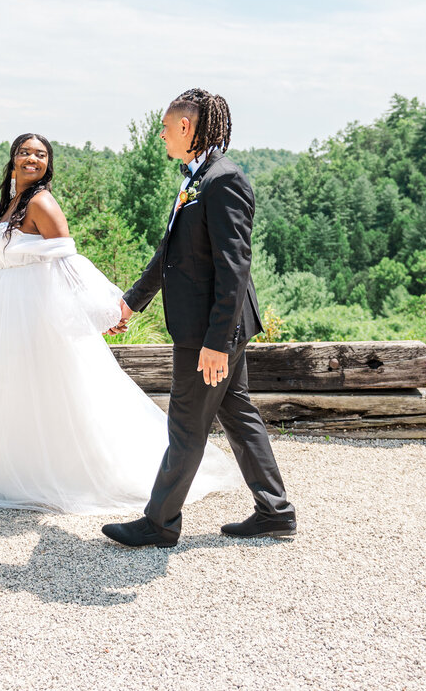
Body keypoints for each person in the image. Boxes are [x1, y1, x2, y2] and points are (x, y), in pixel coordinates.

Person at [0, 133, 242, 514]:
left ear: (48, 164)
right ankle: (24, 472)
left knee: (53, 389)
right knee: (17, 389)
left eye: (41, 154)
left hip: (35, 313)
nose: (33, 159)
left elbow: (69, 264)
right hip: (7, 315)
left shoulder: (42, 203)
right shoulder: (9, 203)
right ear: (13, 158)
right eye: (26, 152)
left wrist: (105, 310)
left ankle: (71, 474)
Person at [101, 89, 297, 548]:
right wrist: (131, 302)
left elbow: (235, 267)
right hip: (215, 327)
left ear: (186, 128)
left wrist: (216, 342)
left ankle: (159, 523)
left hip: (210, 330)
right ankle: (275, 511)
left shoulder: (223, 181)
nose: (162, 134)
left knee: (186, 425)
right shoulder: (197, 178)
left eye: (166, 127)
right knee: (238, 413)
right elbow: (169, 255)